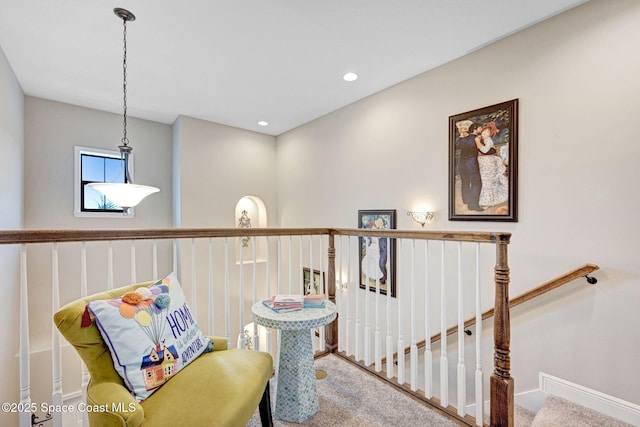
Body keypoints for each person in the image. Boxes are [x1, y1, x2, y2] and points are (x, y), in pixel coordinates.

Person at [475, 121, 509, 208]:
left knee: (487, 181)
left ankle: (487, 201)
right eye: (483, 132)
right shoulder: (483, 139)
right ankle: (487, 200)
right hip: (484, 163)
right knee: (485, 181)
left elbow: (485, 150)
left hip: (488, 164)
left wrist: (478, 143)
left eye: (487, 132)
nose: (484, 133)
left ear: (490, 134)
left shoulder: (488, 140)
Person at [455, 122, 484, 211]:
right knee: (476, 183)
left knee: (465, 182)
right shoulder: (476, 138)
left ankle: (466, 200)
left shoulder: (461, 139)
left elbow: (457, 146)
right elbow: (482, 149)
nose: (481, 129)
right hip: (471, 164)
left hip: (462, 164)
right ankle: (473, 205)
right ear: (474, 129)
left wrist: (461, 136)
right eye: (480, 128)